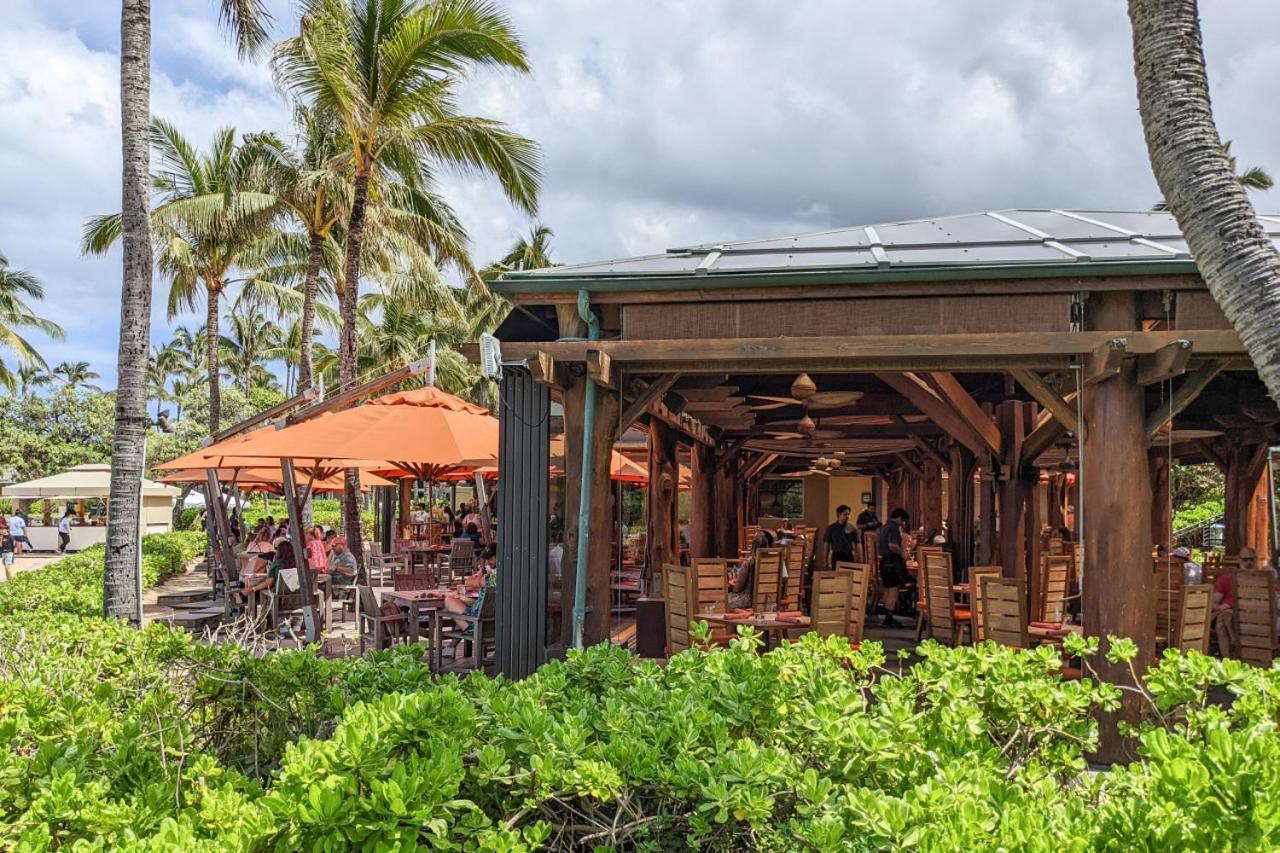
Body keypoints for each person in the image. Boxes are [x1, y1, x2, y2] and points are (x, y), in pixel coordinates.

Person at [876, 508, 911, 628]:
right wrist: (902, 553)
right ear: (900, 518)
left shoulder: (883, 528)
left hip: (883, 562)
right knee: (893, 590)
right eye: (904, 521)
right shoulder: (893, 528)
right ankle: (889, 617)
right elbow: (893, 545)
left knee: (887, 589)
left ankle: (887, 614)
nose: (903, 524)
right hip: (892, 563)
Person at [729, 530, 773, 609]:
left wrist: (732, 583)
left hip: (749, 601)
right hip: (770, 600)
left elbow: (738, 588)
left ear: (753, 545)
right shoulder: (774, 561)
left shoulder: (749, 562)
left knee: (724, 600)